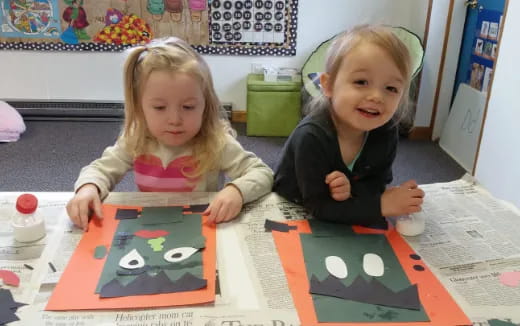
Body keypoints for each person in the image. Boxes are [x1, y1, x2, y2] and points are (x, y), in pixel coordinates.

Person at [67, 37, 273, 230]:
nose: (175, 119)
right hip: (151, 226)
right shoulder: (136, 138)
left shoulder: (215, 141)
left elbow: (262, 173)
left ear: (205, 106)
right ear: (139, 108)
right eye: (159, 108)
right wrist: (88, 187)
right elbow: (100, 169)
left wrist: (236, 191)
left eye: (188, 107)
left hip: (201, 227)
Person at [273, 25, 425, 228]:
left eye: (391, 88)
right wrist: (380, 205)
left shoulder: (386, 131)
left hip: (343, 206)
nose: (376, 97)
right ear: (328, 86)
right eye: (361, 82)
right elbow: (318, 207)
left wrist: (352, 190)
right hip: (299, 204)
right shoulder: (310, 136)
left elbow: (377, 183)